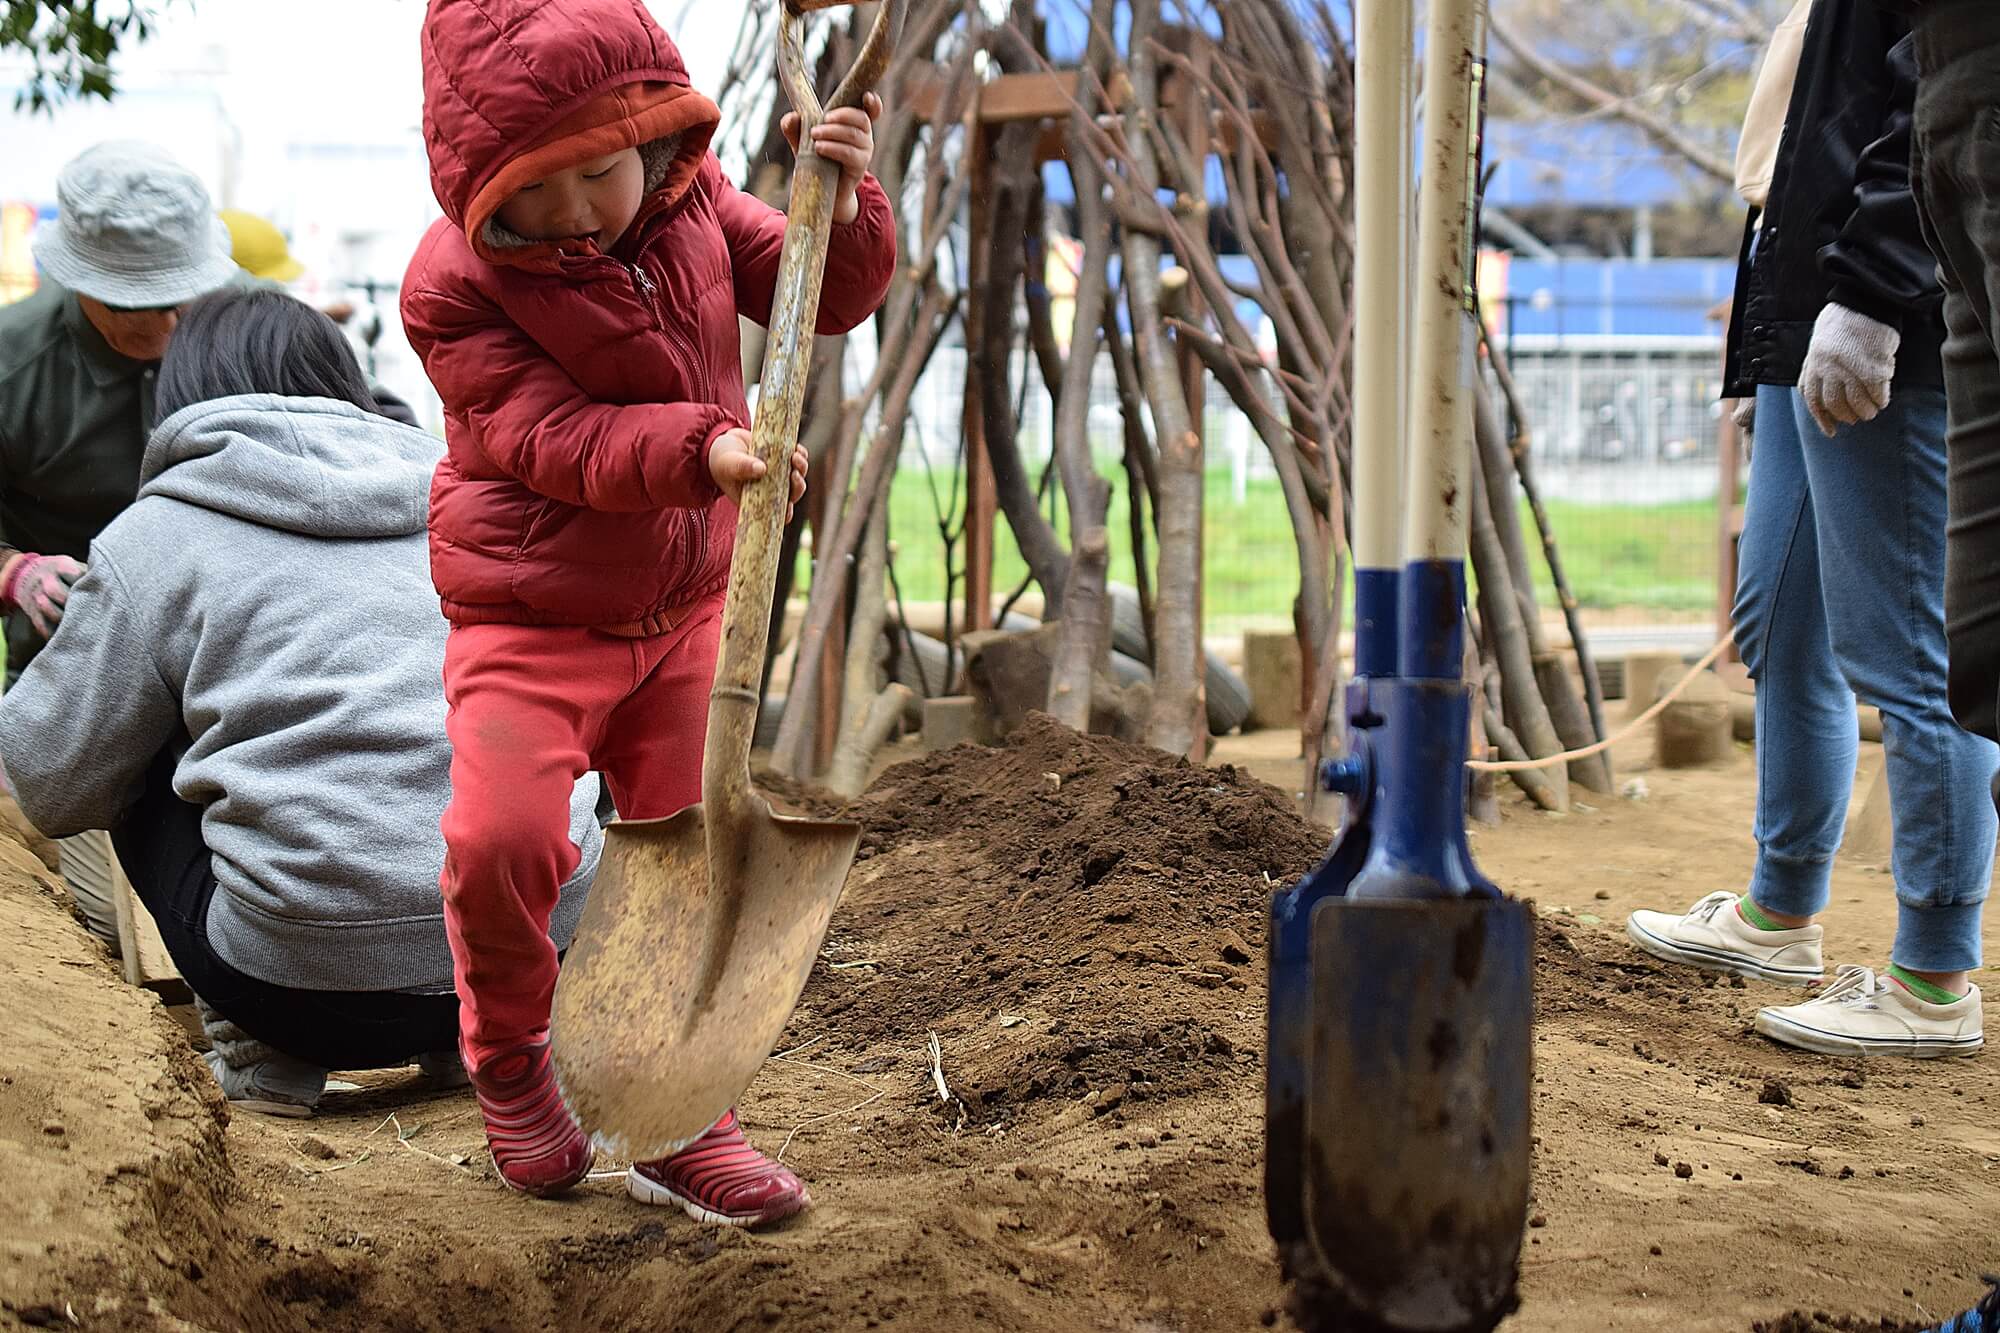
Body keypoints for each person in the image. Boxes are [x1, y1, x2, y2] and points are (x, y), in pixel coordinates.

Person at [402, 0, 895, 1217]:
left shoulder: (693, 203)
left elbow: (824, 294)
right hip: (532, 615)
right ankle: (513, 1064)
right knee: (500, 842)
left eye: (599, 171)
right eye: (539, 187)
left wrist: (847, 195)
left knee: (689, 855)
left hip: (685, 611)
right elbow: (546, 435)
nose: (577, 209)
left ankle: (686, 1119)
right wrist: (704, 449)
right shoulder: (450, 289)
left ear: (652, 137)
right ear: (479, 187)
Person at [0, 287, 605, 1118]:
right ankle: (459, 1042)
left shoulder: (160, 534)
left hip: (297, 984)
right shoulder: (465, 496)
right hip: (542, 940)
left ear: (183, 394)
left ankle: (266, 1054)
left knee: (129, 736)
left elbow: (51, 778)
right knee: (481, 710)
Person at [1625, 1, 1994, 1057]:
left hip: (1888, 308)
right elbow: (1792, 165)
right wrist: (1757, 352)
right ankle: (1777, 912)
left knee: (1908, 646)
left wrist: (1875, 290)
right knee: (1778, 620)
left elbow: (1924, 103)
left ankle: (1932, 973)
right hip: (1805, 308)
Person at [0, 141, 243, 962]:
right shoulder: (11, 365)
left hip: (234, 656)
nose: (171, 327)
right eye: (140, 308)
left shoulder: (250, 320)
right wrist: (12, 568)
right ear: (83, 283)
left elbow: (372, 429)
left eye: (182, 301)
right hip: (72, 672)